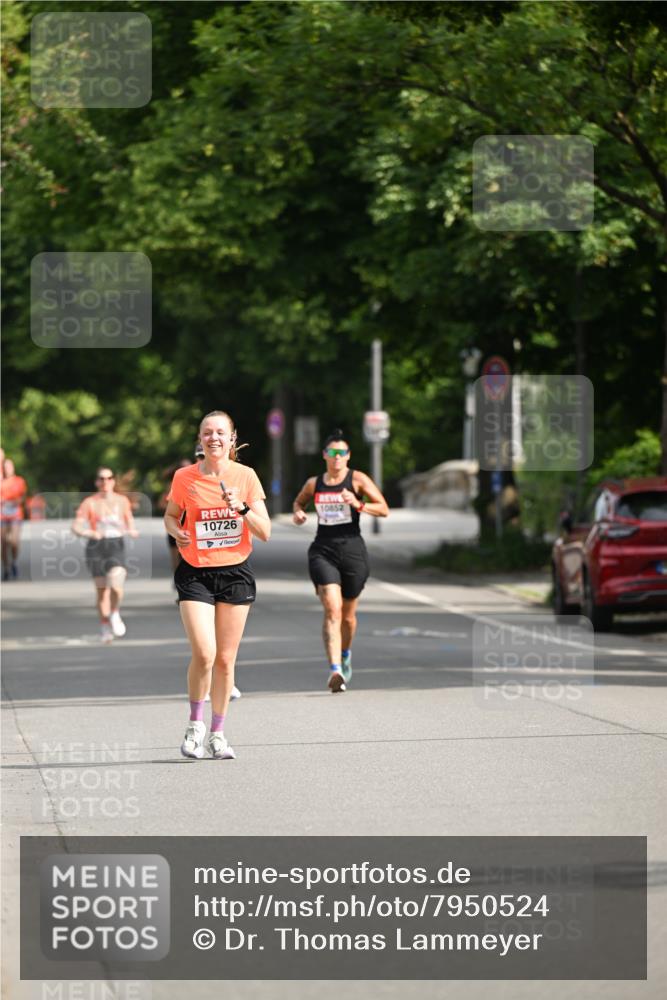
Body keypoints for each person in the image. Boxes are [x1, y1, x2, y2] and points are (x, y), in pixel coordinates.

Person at [164, 411, 270, 760]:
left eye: (220, 433)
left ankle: (218, 733)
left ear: (232, 438)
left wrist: (240, 508)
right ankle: (195, 725)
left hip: (235, 573)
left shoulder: (246, 476)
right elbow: (170, 514)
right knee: (205, 653)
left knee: (225, 660)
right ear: (200, 439)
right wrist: (175, 530)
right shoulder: (185, 477)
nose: (214, 438)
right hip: (195, 572)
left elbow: (265, 531)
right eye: (207, 433)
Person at [292, 428, 389, 693]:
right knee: (332, 609)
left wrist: (358, 504)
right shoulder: (315, 483)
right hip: (323, 550)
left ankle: (345, 655)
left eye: (342, 453)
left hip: (353, 551)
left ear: (348, 456)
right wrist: (299, 513)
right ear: (325, 455)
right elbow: (299, 503)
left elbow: (383, 508)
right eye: (332, 453)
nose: (337, 457)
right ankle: (335, 670)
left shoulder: (357, 479)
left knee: (348, 616)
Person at [72, 467, 138, 643]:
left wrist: (131, 529)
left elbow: (128, 519)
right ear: (96, 482)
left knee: (116, 584)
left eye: (109, 478)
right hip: (96, 546)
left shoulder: (122, 501)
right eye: (101, 479)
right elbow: (76, 526)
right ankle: (104, 626)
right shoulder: (89, 502)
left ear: (113, 481)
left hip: (116, 544)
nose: (105, 482)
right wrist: (89, 533)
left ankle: (114, 612)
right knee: (102, 592)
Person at [1, 457, 28, 581]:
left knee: (14, 541)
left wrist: (17, 501)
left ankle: (14, 562)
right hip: (2, 515)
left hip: (15, 514)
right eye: (5, 467)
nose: (7, 469)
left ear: (13, 468)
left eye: (9, 466)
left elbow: (23, 496)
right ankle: (6, 568)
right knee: (3, 543)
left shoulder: (19, 481)